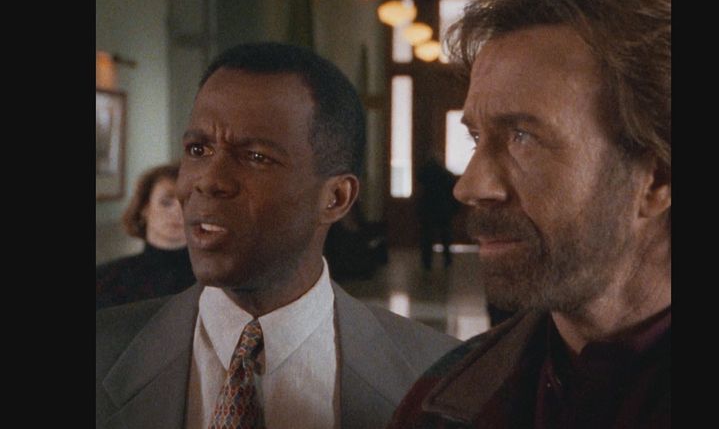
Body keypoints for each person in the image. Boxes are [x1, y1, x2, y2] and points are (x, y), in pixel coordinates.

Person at [96, 42, 460, 429]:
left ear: (336, 197)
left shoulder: (440, 378)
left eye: (257, 157)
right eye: (198, 149)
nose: (209, 181)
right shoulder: (103, 350)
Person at [389, 0, 671, 428]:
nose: (469, 187)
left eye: (522, 137)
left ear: (656, 180)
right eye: (476, 138)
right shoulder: (441, 399)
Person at [96, 162, 195, 310]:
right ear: (144, 208)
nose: (177, 212)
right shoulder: (106, 279)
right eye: (166, 203)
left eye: (188, 204)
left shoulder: (214, 279)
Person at [415, 157, 460, 269]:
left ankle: (426, 261)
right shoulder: (446, 175)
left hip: (428, 208)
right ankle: (447, 259)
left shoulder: (424, 174)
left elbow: (419, 185)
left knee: (427, 237)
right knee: (445, 235)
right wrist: (454, 208)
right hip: (443, 209)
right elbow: (453, 192)